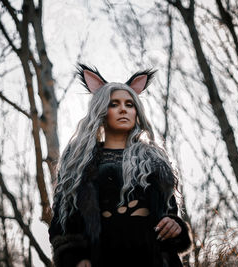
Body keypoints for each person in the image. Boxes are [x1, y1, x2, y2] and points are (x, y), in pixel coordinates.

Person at [49, 64, 192, 267]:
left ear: (137, 111)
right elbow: (63, 223)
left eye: (129, 104)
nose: (123, 109)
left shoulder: (155, 160)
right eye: (114, 104)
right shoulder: (79, 162)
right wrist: (75, 259)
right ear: (100, 109)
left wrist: (175, 226)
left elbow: (169, 213)